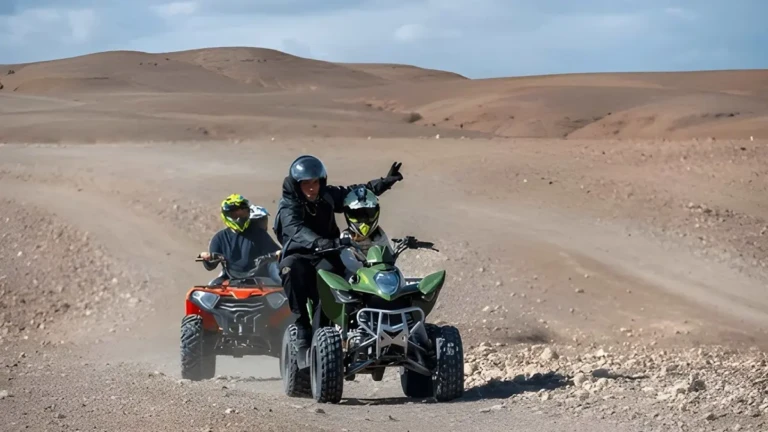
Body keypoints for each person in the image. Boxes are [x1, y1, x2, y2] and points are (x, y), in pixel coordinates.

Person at [273, 155, 403, 346]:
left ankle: (353, 330)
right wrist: (320, 241)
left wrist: (384, 183)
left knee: (340, 282)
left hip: (328, 252)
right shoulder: (288, 206)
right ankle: (302, 324)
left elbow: (355, 193)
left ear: (321, 182)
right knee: (289, 269)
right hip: (299, 253)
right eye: (305, 183)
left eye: (315, 182)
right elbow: (296, 229)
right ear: (296, 184)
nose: (311, 187)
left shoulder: (326, 195)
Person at [200, 194, 281, 285]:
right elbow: (211, 266)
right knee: (207, 292)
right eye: (235, 214)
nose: (239, 218)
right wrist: (207, 258)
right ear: (227, 215)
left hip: (260, 280)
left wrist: (279, 253)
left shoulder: (258, 234)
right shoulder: (219, 238)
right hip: (230, 279)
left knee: (282, 287)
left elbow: (277, 252)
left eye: (242, 213)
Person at [339, 186, 394, 274]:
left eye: (368, 213)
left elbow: (390, 258)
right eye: (358, 215)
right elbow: (352, 265)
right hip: (356, 280)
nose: (363, 220)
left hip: (380, 277)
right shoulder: (345, 237)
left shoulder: (379, 234)